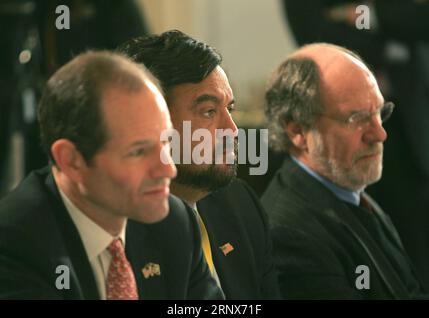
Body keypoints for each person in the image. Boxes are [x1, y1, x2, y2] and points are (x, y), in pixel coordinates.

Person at [0, 51, 223, 300]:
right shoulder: (13, 246)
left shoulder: (174, 223)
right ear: (71, 160)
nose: (168, 169)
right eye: (138, 152)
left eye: (166, 143)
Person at [117, 30, 280, 299]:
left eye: (231, 108)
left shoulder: (240, 205)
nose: (232, 129)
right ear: (153, 122)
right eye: (209, 111)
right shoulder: (116, 228)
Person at [262, 43, 427, 299]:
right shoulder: (291, 236)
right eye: (358, 119)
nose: (380, 134)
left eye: (380, 113)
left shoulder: (348, 190)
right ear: (297, 131)